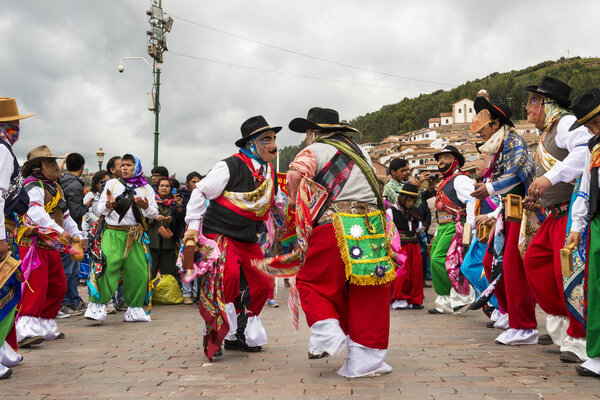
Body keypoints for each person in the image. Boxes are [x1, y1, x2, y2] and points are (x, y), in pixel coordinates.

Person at [286, 107, 394, 377]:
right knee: (366, 291)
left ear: (313, 132)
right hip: (371, 228)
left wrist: (296, 201)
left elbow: (296, 176)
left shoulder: (314, 150)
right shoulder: (362, 152)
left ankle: (326, 331)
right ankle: (366, 361)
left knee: (313, 282)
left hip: (334, 226)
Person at [183, 115, 283, 358]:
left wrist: (289, 224)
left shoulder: (270, 171)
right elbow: (201, 192)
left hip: (249, 238)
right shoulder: (229, 165)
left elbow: (277, 203)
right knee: (224, 282)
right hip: (221, 233)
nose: (273, 146)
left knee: (262, 283)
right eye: (266, 140)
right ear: (250, 144)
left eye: (274, 139)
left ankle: (239, 334)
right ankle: (215, 334)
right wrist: (193, 228)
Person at [522, 77, 591, 363]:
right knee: (535, 262)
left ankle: (581, 336)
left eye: (531, 103)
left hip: (569, 212)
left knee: (571, 275)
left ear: (545, 103)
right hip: (553, 215)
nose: (527, 109)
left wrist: (549, 178)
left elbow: (584, 149)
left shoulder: (565, 124)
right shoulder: (548, 132)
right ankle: (565, 329)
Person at [469, 97, 538, 345]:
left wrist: (488, 188)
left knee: (512, 267)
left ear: (496, 124)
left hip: (522, 213)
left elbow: (514, 175)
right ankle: (511, 315)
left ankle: (526, 326)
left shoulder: (514, 142)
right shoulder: (502, 146)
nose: (481, 132)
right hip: (507, 211)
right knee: (494, 263)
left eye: (484, 126)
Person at [16, 145, 84, 346]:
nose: (56, 166)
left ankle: (44, 326)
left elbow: (65, 215)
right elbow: (35, 212)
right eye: (51, 163)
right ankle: (24, 331)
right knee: (35, 288)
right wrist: (59, 231)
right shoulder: (33, 185)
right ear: (39, 166)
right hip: (33, 245)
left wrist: (78, 235)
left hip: (50, 245)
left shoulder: (56, 187)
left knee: (57, 286)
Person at [84, 154, 158, 323]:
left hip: (136, 233)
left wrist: (146, 207)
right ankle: (97, 306)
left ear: (136, 167)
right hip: (113, 232)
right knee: (107, 267)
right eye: (123, 165)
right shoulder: (111, 184)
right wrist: (108, 206)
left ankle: (135, 308)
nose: (124, 168)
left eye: (129, 165)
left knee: (138, 271)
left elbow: (154, 212)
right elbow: (100, 209)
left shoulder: (146, 189)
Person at [565, 88, 600, 377]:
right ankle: (598, 354)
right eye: (590, 125)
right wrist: (577, 226)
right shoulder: (593, 147)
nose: (593, 130)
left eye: (596, 122)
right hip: (598, 224)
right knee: (596, 287)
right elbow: (585, 190)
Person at [0, 97, 35, 379]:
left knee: (9, 289)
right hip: (2, 231)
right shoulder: (1, 150)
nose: (16, 129)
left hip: (7, 229)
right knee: (4, 290)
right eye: (14, 124)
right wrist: (1, 237)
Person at [428, 145, 475, 314]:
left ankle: (459, 295)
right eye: (440, 159)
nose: (442, 162)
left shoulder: (461, 179)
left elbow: (471, 201)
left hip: (454, 226)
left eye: (446, 158)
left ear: (456, 161)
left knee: (439, 259)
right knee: (435, 259)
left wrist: (469, 227)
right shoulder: (445, 182)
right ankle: (446, 302)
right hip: (443, 227)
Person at [58, 153, 89, 316]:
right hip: (71, 232)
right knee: (70, 269)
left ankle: (73, 300)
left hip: (64, 230)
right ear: (82, 167)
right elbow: (75, 212)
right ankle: (67, 301)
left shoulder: (61, 181)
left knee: (72, 269)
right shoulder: (76, 186)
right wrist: (87, 206)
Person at [388, 183, 424, 310]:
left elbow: (420, 231)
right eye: (409, 200)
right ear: (402, 198)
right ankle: (400, 299)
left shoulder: (414, 214)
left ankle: (415, 299)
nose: (411, 203)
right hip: (399, 248)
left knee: (416, 273)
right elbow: (388, 231)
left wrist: (425, 244)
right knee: (401, 274)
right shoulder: (391, 212)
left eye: (413, 200)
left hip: (414, 246)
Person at [178, 171, 203, 304]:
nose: (196, 184)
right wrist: (179, 207)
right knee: (187, 262)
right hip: (187, 233)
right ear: (187, 184)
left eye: (198, 181)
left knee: (201, 264)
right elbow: (180, 218)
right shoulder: (183, 198)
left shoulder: (206, 197)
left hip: (203, 235)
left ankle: (198, 293)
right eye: (193, 181)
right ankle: (187, 293)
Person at [148, 178, 181, 279]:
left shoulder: (175, 203)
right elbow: (143, 218)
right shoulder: (151, 202)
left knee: (167, 273)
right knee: (150, 272)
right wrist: (154, 218)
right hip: (152, 242)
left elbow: (180, 220)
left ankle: (164, 294)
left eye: (167, 186)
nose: (164, 188)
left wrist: (172, 218)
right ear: (157, 188)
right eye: (162, 186)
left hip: (168, 243)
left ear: (171, 189)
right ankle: (149, 294)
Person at [82, 170, 110, 235]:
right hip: (91, 232)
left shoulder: (111, 197)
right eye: (103, 182)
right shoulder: (90, 196)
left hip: (106, 232)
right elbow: (88, 215)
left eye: (108, 182)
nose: (106, 184)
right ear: (97, 184)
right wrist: (101, 224)